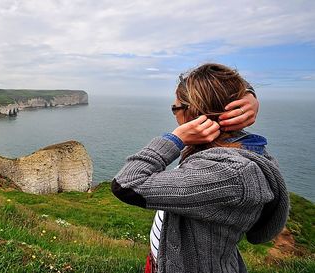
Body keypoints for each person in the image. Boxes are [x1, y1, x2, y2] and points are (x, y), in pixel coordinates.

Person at [111, 63, 289, 273]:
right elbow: (218, 86)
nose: (174, 115)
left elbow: (126, 183)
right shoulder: (224, 151)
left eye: (175, 108)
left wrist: (175, 138)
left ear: (195, 113)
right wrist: (249, 93)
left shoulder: (228, 173)